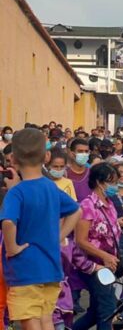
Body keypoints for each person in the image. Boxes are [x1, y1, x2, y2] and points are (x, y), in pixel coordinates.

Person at [0, 128, 81, 330]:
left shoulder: (16, 192)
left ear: (13, 159)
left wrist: (12, 248)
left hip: (25, 269)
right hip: (51, 266)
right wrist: (59, 236)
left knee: (29, 320)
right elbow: (76, 211)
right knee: (46, 319)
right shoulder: (50, 187)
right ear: (46, 156)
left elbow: (8, 222)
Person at [73, 163, 121, 330]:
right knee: (108, 311)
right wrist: (104, 256)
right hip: (94, 266)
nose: (116, 186)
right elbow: (81, 240)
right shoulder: (87, 205)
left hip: (108, 265)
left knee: (96, 312)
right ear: (100, 182)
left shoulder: (109, 203)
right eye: (112, 182)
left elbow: (105, 231)